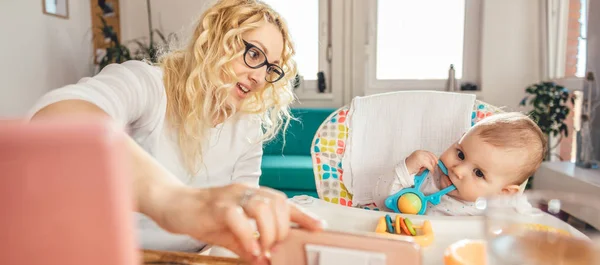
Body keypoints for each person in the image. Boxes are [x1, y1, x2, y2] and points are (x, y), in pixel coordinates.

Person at [27, 0, 324, 264]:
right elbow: (57, 119)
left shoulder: (247, 126)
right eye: (254, 54)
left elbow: (239, 215)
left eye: (271, 69)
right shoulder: (149, 84)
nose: (259, 76)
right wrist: (174, 200)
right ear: (217, 41)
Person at [372, 112, 547, 215]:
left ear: (504, 192)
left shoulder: (505, 208)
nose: (457, 170)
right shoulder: (426, 178)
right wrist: (406, 168)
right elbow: (382, 202)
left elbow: (532, 233)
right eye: (461, 154)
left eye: (478, 173)